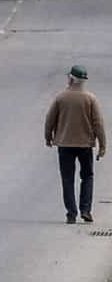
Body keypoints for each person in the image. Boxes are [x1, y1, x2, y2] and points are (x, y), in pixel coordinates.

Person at [45, 65, 107, 223]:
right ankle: (85, 210)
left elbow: (49, 120)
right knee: (87, 176)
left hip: (65, 145)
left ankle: (71, 213)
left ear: (71, 78)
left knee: (67, 178)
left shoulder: (61, 98)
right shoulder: (90, 98)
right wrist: (102, 145)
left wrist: (48, 137)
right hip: (85, 145)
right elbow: (98, 123)